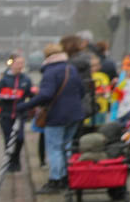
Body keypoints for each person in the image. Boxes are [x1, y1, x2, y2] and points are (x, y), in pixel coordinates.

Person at [21, 37, 87, 193]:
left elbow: (46, 94)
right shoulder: (70, 68)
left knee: (55, 148)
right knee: (67, 146)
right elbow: (82, 90)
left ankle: (55, 180)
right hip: (75, 114)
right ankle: (67, 178)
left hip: (57, 115)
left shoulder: (50, 71)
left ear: (47, 56)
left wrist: (25, 106)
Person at [0, 55, 33, 175]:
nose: (20, 65)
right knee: (8, 139)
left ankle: (16, 159)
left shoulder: (26, 79)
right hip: (6, 113)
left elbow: (30, 94)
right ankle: (9, 162)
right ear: (12, 64)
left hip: (20, 114)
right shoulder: (5, 79)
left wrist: (33, 95)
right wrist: (2, 94)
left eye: (22, 63)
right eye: (18, 63)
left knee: (19, 138)